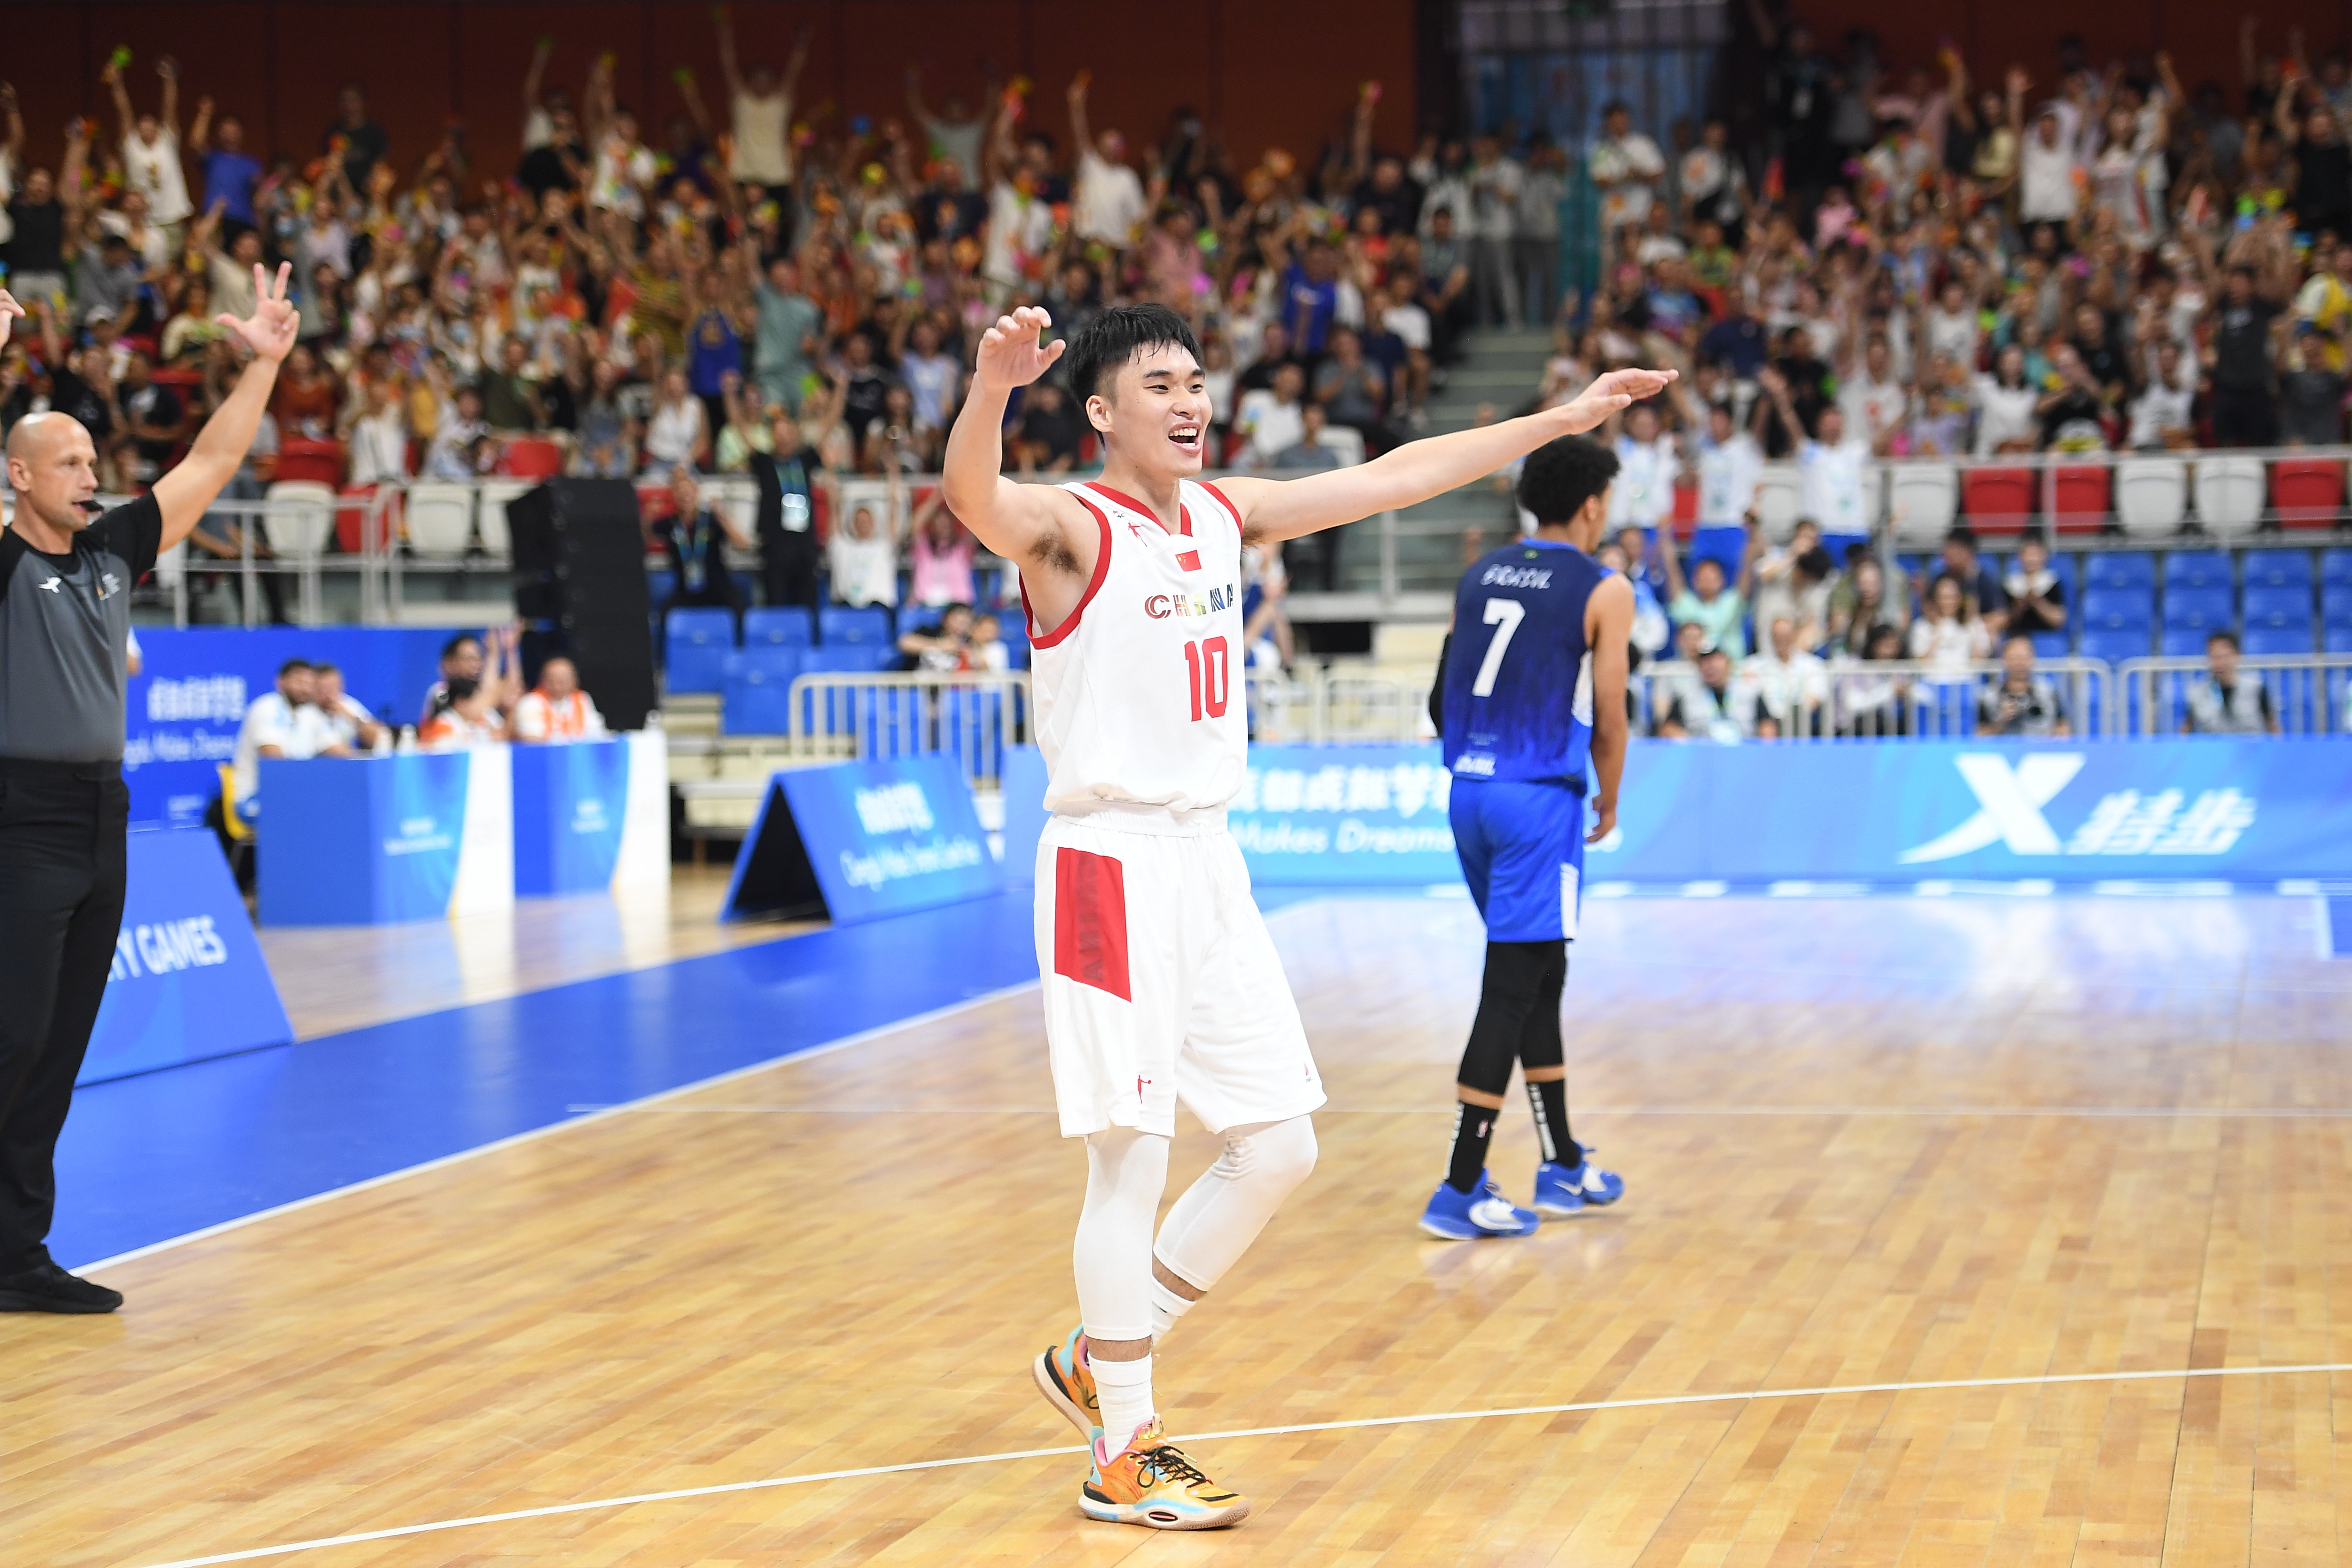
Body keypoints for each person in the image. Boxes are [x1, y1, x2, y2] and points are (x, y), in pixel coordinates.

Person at [942, 300, 1667, 1529]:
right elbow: (974, 496)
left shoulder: (1225, 513)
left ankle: (1103, 1352)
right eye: (1158, 386)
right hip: (1109, 860)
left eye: (1195, 381)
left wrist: (1566, 416)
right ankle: (1124, 1445)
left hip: (1206, 859)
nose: (1188, 402)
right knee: (1129, 1157)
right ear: (1103, 411)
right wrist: (990, 391)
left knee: (1279, 1144)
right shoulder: (1072, 527)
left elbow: (1395, 476)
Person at [0, 265, 296, 1315]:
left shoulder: (113, 548)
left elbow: (211, 460)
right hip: (19, 818)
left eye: (94, 457)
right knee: (12, 1036)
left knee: (55, 1051)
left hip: (101, 815)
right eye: (68, 461)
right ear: (18, 477)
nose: (91, 473)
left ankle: (17, 1256)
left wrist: (263, 365)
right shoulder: (3, 560)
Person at [1419, 435, 1632, 1241]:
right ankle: (1459, 1184)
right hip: (1538, 802)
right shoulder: (1604, 587)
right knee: (1511, 986)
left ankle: (1562, 1160)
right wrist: (1609, 797)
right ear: (1592, 506)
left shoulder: (1480, 572)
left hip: (1469, 793)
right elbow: (1609, 716)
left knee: (1541, 970)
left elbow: (1439, 695)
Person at [229, 658, 345, 817]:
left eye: (309, 683)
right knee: (310, 812)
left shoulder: (310, 713)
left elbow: (338, 750)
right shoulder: (266, 707)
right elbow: (276, 762)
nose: (304, 689)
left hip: (293, 794)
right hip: (255, 798)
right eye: (299, 682)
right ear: (280, 682)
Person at [654, 468, 751, 631]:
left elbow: (742, 544)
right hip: (686, 589)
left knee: (738, 609)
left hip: (717, 585)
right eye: (679, 492)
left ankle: (740, 646)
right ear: (673, 496)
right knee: (666, 615)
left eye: (688, 491)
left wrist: (722, 516)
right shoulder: (669, 524)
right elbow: (645, 534)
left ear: (696, 493)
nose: (685, 496)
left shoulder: (711, 519)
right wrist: (650, 514)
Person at [2184, 631, 2280, 734]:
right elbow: (2186, 730)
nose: (2220, 663)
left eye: (2225, 657)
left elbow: (2273, 727)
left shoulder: (2256, 689)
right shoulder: (2197, 693)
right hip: (2214, 744)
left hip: (2250, 744)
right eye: (2215, 657)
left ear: (2237, 655)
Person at [1979, 635, 2069, 737]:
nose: (2020, 663)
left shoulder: (2048, 692)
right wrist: (2001, 720)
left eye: (2024, 658)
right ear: (2004, 660)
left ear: (2033, 659)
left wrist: (2052, 736)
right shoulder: (1989, 697)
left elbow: (2063, 729)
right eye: (2014, 658)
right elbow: (1979, 737)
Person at [511, 657, 607, 742]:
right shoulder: (531, 702)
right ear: (543, 681)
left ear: (575, 680)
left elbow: (597, 732)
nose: (558, 687)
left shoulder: (582, 699)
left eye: (563, 681)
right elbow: (530, 738)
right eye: (553, 681)